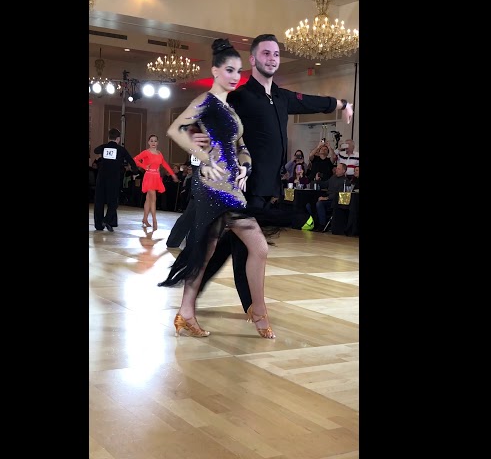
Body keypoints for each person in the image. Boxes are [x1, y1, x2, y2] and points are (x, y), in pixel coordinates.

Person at [189, 33, 353, 313]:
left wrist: (341, 104)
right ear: (252, 59)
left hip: (267, 187)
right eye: (266, 53)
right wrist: (195, 134)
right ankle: (253, 308)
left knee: (231, 245)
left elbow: (312, 101)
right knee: (248, 248)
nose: (272, 58)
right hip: (243, 185)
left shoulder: (282, 97)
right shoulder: (239, 96)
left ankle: (193, 291)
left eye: (276, 54)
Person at [158, 38, 276, 339]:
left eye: (239, 70)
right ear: (215, 71)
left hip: (231, 186)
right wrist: (202, 158)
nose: (236, 76)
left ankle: (186, 313)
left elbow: (241, 146)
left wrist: (246, 168)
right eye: (229, 70)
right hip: (213, 186)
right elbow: (175, 130)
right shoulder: (206, 102)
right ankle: (259, 311)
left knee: (206, 250)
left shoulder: (230, 110)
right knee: (257, 246)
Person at [93, 128, 139, 231]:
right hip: (113, 179)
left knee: (99, 201)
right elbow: (131, 161)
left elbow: (95, 150)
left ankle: (99, 225)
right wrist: (135, 172)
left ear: (109, 137)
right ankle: (107, 220)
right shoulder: (121, 149)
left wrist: (103, 152)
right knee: (113, 202)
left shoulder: (104, 147)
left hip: (101, 178)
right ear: (118, 139)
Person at [133, 134, 179, 230]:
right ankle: (154, 220)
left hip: (156, 177)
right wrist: (144, 166)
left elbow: (165, 164)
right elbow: (135, 160)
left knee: (148, 199)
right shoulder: (146, 152)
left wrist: (173, 174)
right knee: (153, 198)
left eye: (155, 141)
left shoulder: (159, 153)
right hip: (149, 176)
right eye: (151, 141)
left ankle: (145, 219)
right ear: (148, 142)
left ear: (157, 143)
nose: (153, 142)